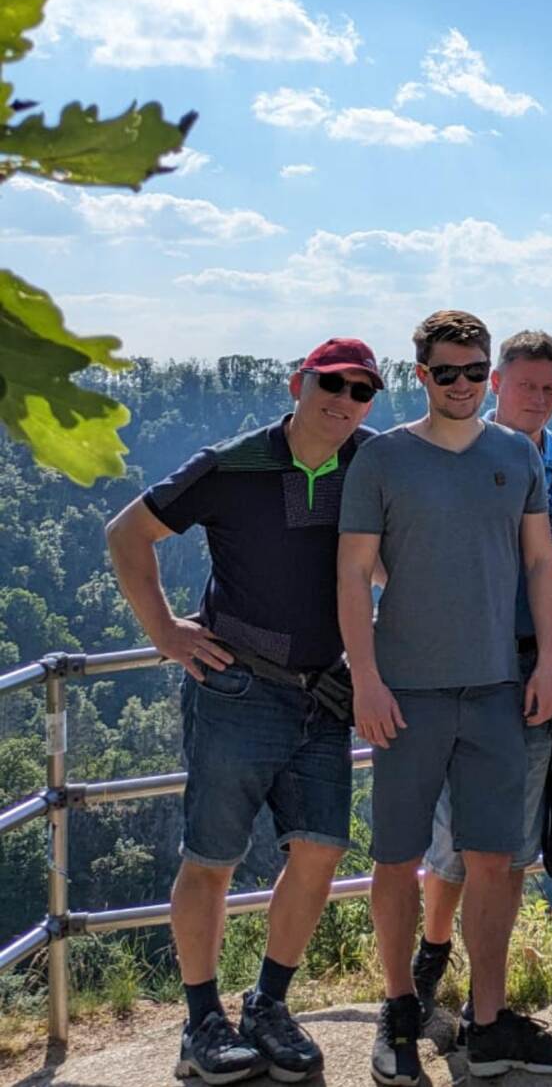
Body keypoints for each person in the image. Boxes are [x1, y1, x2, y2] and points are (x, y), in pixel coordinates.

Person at [105, 338, 383, 1084]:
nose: (346, 400)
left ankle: (267, 1005)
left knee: (321, 849)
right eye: (332, 382)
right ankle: (201, 1023)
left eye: (363, 391)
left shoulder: (372, 461)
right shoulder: (234, 462)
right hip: (237, 686)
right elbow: (128, 533)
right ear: (299, 382)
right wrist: (165, 633)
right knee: (213, 858)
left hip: (325, 691)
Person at [337, 311, 552, 1083]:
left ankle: (487, 1022)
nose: (465, 385)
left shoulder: (515, 454)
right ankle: (401, 1009)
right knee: (398, 859)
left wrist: (544, 668)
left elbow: (542, 566)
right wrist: (366, 680)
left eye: (476, 372)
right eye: (449, 373)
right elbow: (350, 576)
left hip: (499, 687)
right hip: (405, 693)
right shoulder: (382, 461)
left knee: (493, 861)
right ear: (422, 377)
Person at [412, 330, 552, 1029]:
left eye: (551, 388)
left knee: (514, 839)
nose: (540, 400)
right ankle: (432, 959)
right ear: (496, 386)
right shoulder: (461, 452)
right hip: (461, 664)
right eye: (526, 387)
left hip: (537, 660)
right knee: (453, 833)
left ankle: (492, 992)